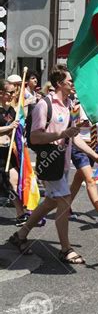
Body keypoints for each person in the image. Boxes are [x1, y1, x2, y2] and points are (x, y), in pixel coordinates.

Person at [7, 65, 98, 264]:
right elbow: (35, 136)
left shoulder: (69, 105)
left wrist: (93, 153)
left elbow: (73, 137)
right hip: (49, 162)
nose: (73, 84)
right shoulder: (45, 104)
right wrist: (61, 134)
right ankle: (65, 249)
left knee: (50, 202)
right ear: (59, 83)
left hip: (62, 163)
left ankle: (20, 235)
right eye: (70, 81)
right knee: (64, 201)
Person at [68, 103, 98, 226]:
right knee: (90, 180)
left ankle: (65, 207)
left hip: (94, 148)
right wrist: (80, 123)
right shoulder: (77, 108)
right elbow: (71, 127)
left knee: (78, 179)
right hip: (79, 148)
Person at [0, 80, 26, 224]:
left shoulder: (12, 111)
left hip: (8, 152)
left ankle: (20, 213)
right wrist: (9, 127)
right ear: (1, 93)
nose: (12, 95)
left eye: (14, 92)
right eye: (10, 92)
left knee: (13, 181)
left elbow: (16, 129)